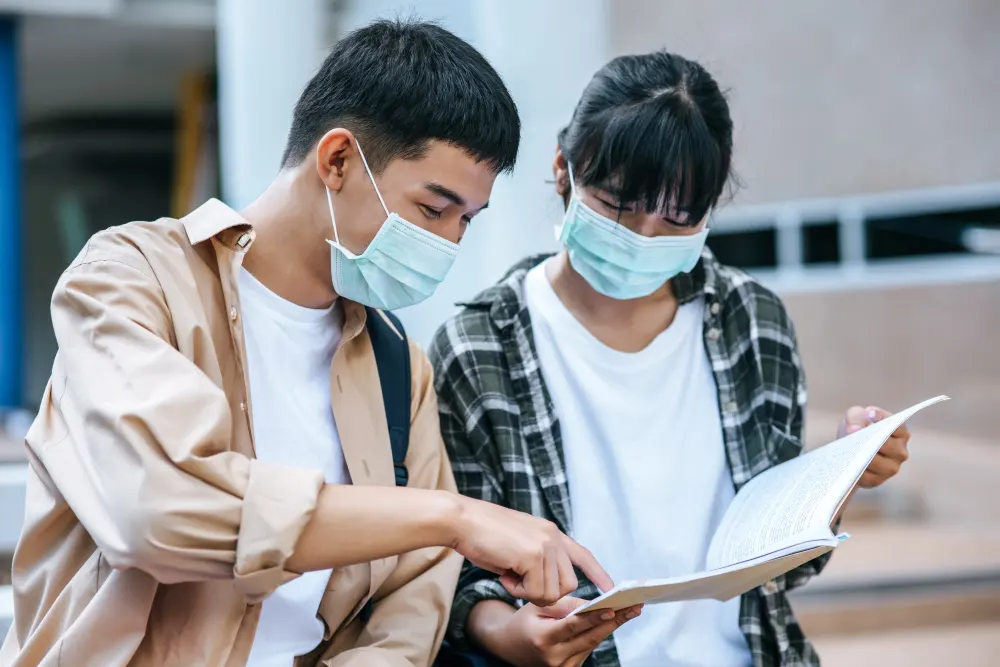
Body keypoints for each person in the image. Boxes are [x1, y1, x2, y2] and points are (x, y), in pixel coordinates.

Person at [0, 20, 612, 667]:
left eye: (467, 218)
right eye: (434, 210)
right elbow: (154, 511)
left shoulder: (398, 365)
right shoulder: (130, 279)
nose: (450, 242)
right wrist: (451, 516)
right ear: (338, 159)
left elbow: (413, 599)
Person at [430, 50, 912, 667]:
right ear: (562, 171)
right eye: (615, 207)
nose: (644, 239)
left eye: (678, 219)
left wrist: (837, 478)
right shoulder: (480, 349)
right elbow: (457, 580)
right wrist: (516, 639)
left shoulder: (751, 323)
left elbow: (782, 570)